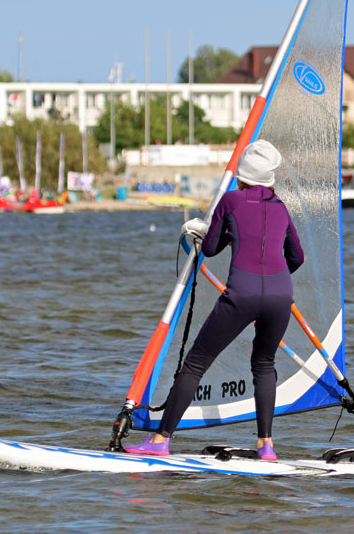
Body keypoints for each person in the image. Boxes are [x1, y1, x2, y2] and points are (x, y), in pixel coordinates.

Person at [124, 140, 304, 461]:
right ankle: (266, 447)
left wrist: (200, 230)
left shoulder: (230, 200)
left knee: (195, 364)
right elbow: (297, 257)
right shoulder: (280, 207)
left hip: (242, 294)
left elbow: (209, 248)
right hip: (281, 294)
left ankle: (160, 440)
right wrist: (272, 280)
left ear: (241, 175)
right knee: (264, 365)